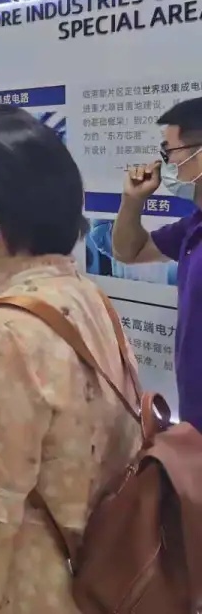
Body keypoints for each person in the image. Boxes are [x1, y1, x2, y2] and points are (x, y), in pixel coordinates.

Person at [0, 107, 140, 613]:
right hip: (95, 569)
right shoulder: (83, 295)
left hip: (27, 584)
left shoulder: (1, 331)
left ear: (6, 200)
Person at [112, 95, 202, 431]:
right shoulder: (193, 226)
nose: (165, 164)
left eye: (170, 152)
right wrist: (132, 201)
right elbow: (129, 252)